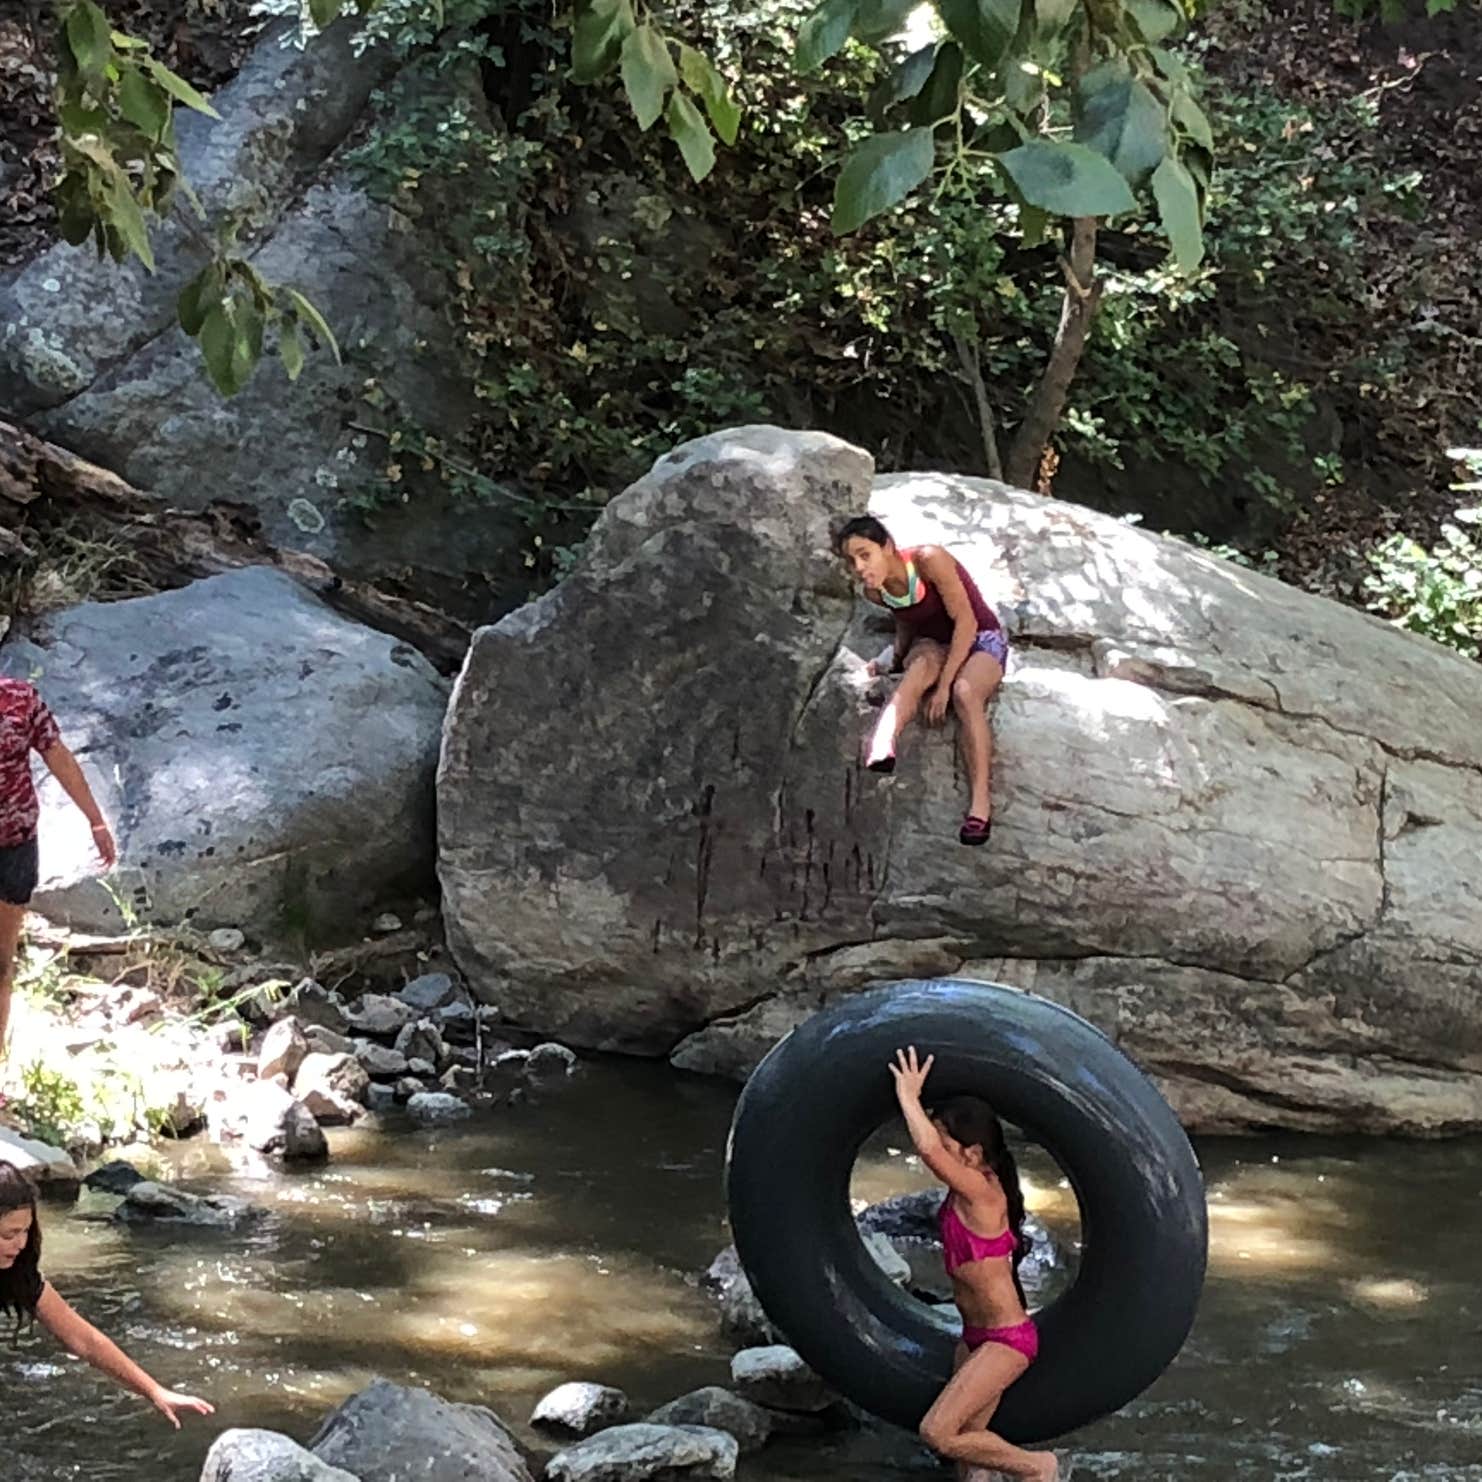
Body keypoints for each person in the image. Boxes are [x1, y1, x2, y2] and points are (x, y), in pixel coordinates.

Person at [889, 1046, 1059, 1482]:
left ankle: (1039, 1468)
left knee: (938, 1433)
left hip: (1006, 1340)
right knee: (968, 1459)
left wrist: (908, 1095)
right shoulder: (964, 1190)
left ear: (972, 1153)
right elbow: (932, 1149)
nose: (940, 1150)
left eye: (950, 1143)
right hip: (974, 1337)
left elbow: (927, 1150)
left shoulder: (984, 1191)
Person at [0, 1160, 213, 1427]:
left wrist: (155, 1391)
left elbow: (84, 1339)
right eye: (9, 1235)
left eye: (26, 1231)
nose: (21, 1244)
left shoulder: (18, 1274)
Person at [835, 516, 1006, 846]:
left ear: (887, 546)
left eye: (865, 554)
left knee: (964, 693)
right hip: (933, 643)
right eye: (851, 560)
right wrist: (892, 660)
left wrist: (944, 686)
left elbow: (966, 622)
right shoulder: (876, 591)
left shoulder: (928, 560)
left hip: (979, 637)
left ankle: (980, 805)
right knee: (918, 668)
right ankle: (883, 742)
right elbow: (907, 623)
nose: (858, 566)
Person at [1, 674, 116, 1058]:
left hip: (14, 848)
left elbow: (58, 757)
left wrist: (96, 821)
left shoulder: (19, 698)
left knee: (1, 964)